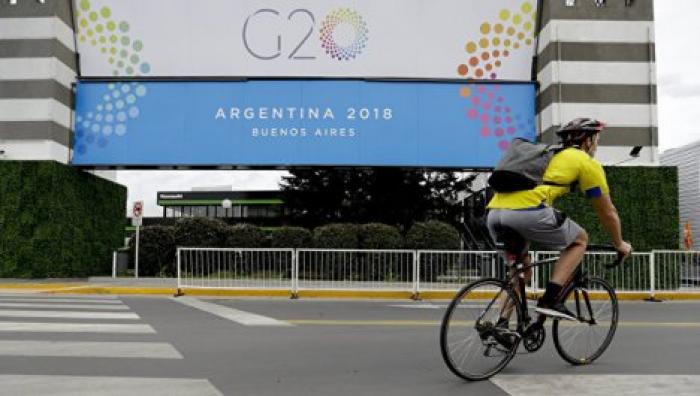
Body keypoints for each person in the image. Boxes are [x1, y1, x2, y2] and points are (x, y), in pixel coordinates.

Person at [486, 118, 633, 320]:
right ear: (588, 141)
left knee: (522, 274)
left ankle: (499, 325)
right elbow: (607, 212)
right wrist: (619, 243)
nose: (596, 144)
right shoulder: (585, 161)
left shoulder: (546, 155)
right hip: (528, 211)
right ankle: (550, 300)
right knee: (579, 240)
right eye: (597, 138)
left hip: (494, 214)